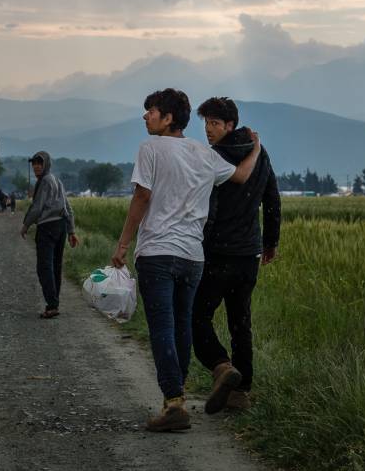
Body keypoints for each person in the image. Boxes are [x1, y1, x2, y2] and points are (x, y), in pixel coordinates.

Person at [111, 88, 261, 432]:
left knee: (162, 326)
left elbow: (142, 195)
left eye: (151, 111)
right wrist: (255, 149)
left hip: (157, 253)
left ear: (168, 118)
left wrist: (122, 244)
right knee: (180, 325)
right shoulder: (203, 153)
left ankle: (175, 402)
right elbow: (241, 176)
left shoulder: (150, 149)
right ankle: (176, 398)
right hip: (193, 257)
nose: (145, 116)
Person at [193, 97, 281, 414]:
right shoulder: (261, 154)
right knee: (240, 321)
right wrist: (270, 241)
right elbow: (272, 198)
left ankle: (222, 367)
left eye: (214, 123)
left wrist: (201, 246)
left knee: (197, 316)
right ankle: (241, 392)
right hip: (249, 253)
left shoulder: (215, 157)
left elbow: (209, 207)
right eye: (205, 123)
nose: (208, 130)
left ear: (230, 125)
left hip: (218, 252)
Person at [20, 151, 78, 319]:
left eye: (39, 163)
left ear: (46, 165)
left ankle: (52, 305)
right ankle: (54, 302)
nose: (36, 166)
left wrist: (25, 225)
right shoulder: (57, 181)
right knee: (55, 266)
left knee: (44, 267)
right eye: (34, 164)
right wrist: (71, 230)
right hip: (60, 226)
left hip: (47, 227)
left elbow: (37, 207)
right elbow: (68, 208)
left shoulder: (44, 181)